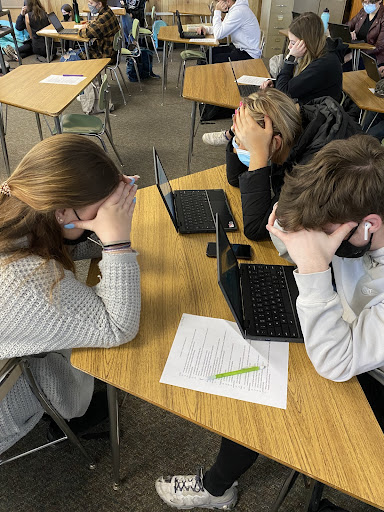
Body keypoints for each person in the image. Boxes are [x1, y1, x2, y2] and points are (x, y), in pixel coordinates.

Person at [155, 134, 384, 511]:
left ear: (369, 226)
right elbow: (286, 231)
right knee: (258, 369)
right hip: (342, 329)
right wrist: (294, 231)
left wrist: (312, 268)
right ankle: (218, 485)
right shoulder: (357, 220)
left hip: (365, 376)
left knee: (267, 388)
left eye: (324, 232)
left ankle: (216, 490)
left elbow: (337, 363)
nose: (317, 240)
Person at [0, 134, 140, 455]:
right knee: (95, 385)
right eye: (99, 210)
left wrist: (95, 214)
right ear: (62, 211)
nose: (105, 214)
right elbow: (117, 327)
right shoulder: (29, 282)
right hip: (7, 397)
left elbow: (57, 239)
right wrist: (116, 240)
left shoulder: (15, 201)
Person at [223, 89, 360, 240]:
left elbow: (257, 229)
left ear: (275, 142)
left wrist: (258, 155)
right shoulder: (291, 128)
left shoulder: (312, 169)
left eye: (244, 141)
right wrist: (240, 131)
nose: (237, 145)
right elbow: (235, 178)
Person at [203, 11, 345, 145]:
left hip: (315, 118)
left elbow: (285, 91)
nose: (290, 47)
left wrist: (290, 59)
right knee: (258, 99)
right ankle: (234, 134)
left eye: (293, 43)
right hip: (306, 105)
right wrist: (275, 83)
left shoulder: (323, 64)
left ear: (306, 43)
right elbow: (297, 84)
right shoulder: (320, 56)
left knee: (262, 104)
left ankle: (232, 136)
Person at [197, 0, 261, 62]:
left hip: (249, 54)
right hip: (239, 47)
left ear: (228, 1)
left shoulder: (238, 11)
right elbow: (222, 28)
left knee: (214, 58)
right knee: (209, 53)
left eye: (219, 2)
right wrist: (206, 29)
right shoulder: (233, 9)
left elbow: (218, 35)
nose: (218, 5)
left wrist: (217, 11)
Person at [347, 0, 384, 66]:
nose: (366, 5)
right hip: (355, 48)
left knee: (346, 66)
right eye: (364, 2)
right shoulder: (363, 12)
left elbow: (379, 47)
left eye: (370, 2)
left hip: (372, 55)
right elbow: (347, 26)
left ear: (380, 1)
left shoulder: (382, 17)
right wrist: (348, 32)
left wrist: (354, 54)